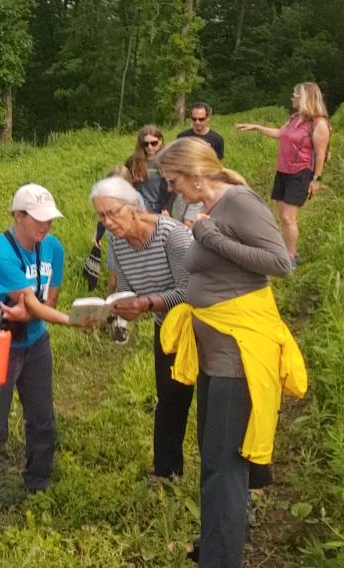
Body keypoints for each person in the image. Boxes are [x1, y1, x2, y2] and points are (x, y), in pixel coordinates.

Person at [153, 138, 307, 568]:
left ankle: (221, 559)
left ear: (197, 174)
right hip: (213, 351)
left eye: (174, 181)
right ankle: (216, 543)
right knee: (214, 456)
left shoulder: (238, 203)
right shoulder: (210, 206)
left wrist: (208, 235)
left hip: (238, 354)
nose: (173, 190)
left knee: (225, 465)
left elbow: (279, 263)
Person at [0, 183, 72, 530]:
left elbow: (45, 305)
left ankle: (39, 481)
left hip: (35, 342)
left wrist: (34, 314)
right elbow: (31, 305)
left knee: (42, 415)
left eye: (49, 219)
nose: (45, 226)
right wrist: (75, 322)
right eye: (38, 219)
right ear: (18, 216)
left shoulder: (53, 248)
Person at [89, 176, 194, 479]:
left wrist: (147, 303)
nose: (107, 222)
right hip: (168, 327)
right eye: (100, 215)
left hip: (204, 327)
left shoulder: (172, 235)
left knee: (216, 409)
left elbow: (191, 290)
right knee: (169, 400)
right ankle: (167, 474)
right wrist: (111, 314)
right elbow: (125, 292)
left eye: (113, 212)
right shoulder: (118, 242)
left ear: (134, 206)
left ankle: (240, 484)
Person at [235, 82, 331, 266]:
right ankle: (285, 251)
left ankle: (291, 257)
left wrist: (316, 179)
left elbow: (320, 153)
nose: (292, 98)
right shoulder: (295, 118)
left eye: (295, 95)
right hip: (283, 171)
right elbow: (280, 133)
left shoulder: (319, 124)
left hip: (300, 173)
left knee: (288, 217)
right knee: (281, 214)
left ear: (304, 98)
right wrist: (256, 127)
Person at [125, 125, 174, 215]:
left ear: (161, 141)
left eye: (153, 143)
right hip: (140, 204)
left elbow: (173, 188)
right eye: (146, 144)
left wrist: (167, 207)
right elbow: (126, 184)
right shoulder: (133, 161)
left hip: (161, 205)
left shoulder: (167, 161)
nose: (150, 147)